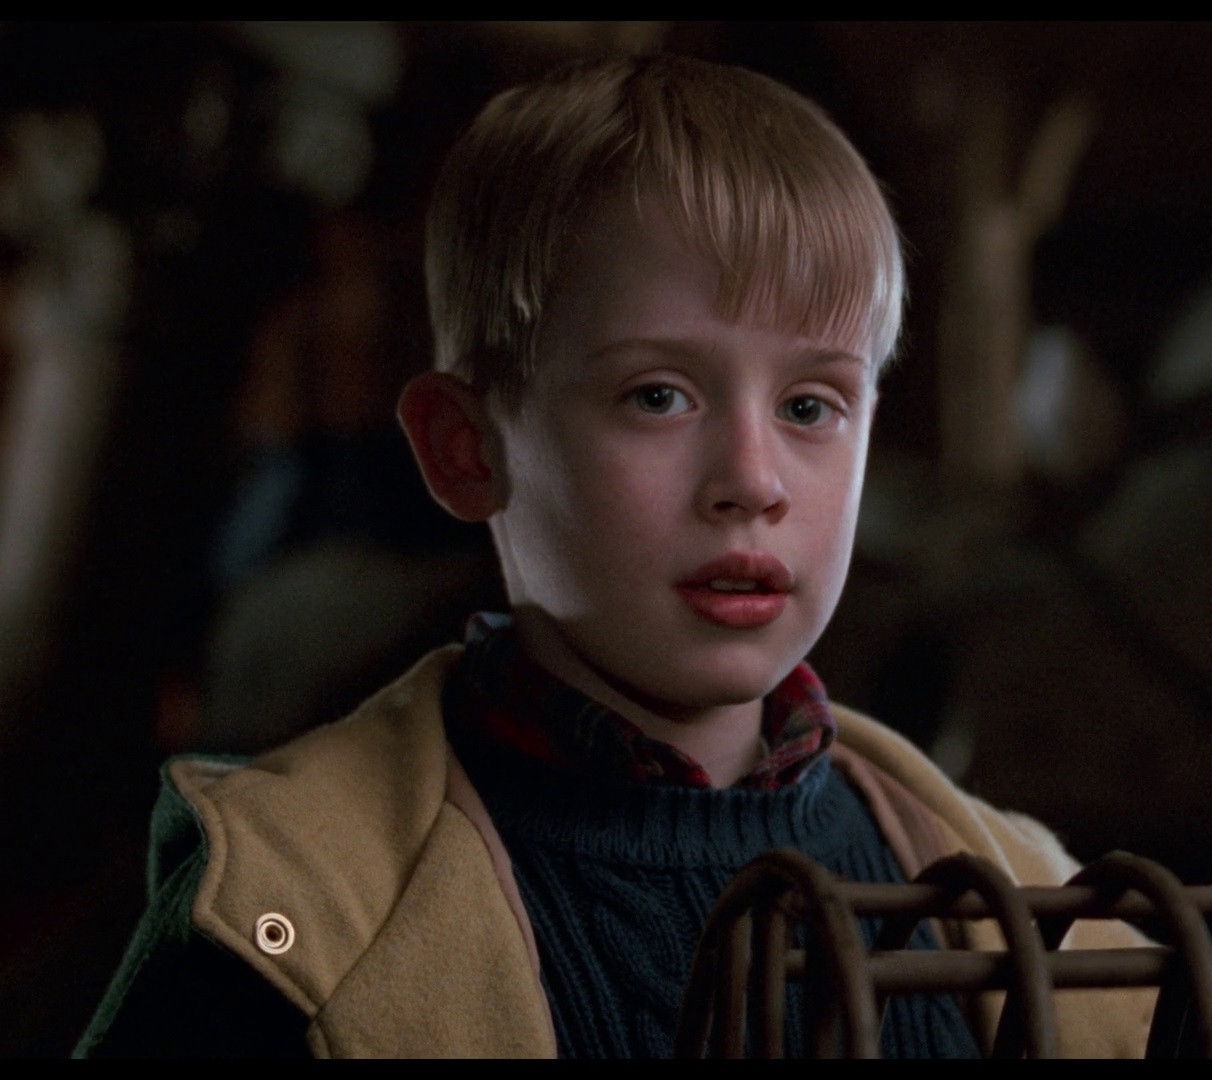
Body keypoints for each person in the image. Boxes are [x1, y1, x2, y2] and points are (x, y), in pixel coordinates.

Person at [76, 53, 1155, 1058]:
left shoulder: (1019, 897)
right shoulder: (293, 914)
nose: (753, 479)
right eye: (658, 396)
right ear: (466, 449)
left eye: (810, 405)